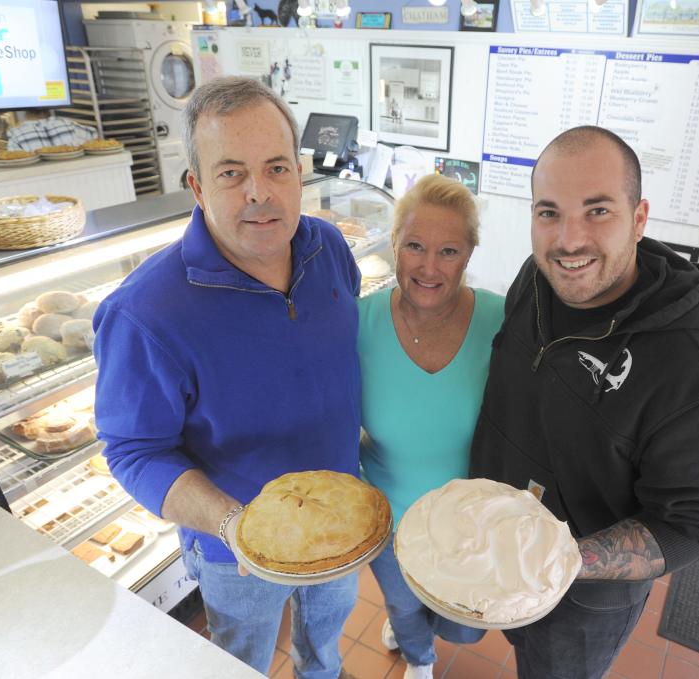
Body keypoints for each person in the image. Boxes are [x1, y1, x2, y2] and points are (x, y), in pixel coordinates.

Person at [92, 76, 362, 678]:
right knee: (242, 660)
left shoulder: (329, 249)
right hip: (234, 551)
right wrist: (232, 526)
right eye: (232, 173)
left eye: (276, 168)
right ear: (196, 185)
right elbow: (134, 450)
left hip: (342, 524)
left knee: (326, 642)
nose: (259, 193)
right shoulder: (145, 314)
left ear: (299, 171)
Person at [469, 126, 699, 679]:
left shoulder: (695, 372)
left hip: (583, 604)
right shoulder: (536, 277)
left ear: (639, 217)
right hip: (496, 551)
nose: (568, 241)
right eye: (548, 212)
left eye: (597, 211)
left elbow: (696, 525)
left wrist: (561, 562)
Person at [357, 174, 503, 679]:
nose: (429, 267)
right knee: (403, 608)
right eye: (415, 246)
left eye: (449, 251)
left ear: (468, 255)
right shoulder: (359, 324)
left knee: (464, 626)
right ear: (394, 245)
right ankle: (418, 659)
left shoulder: (502, 323)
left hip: (470, 528)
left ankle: (426, 635)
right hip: (390, 520)